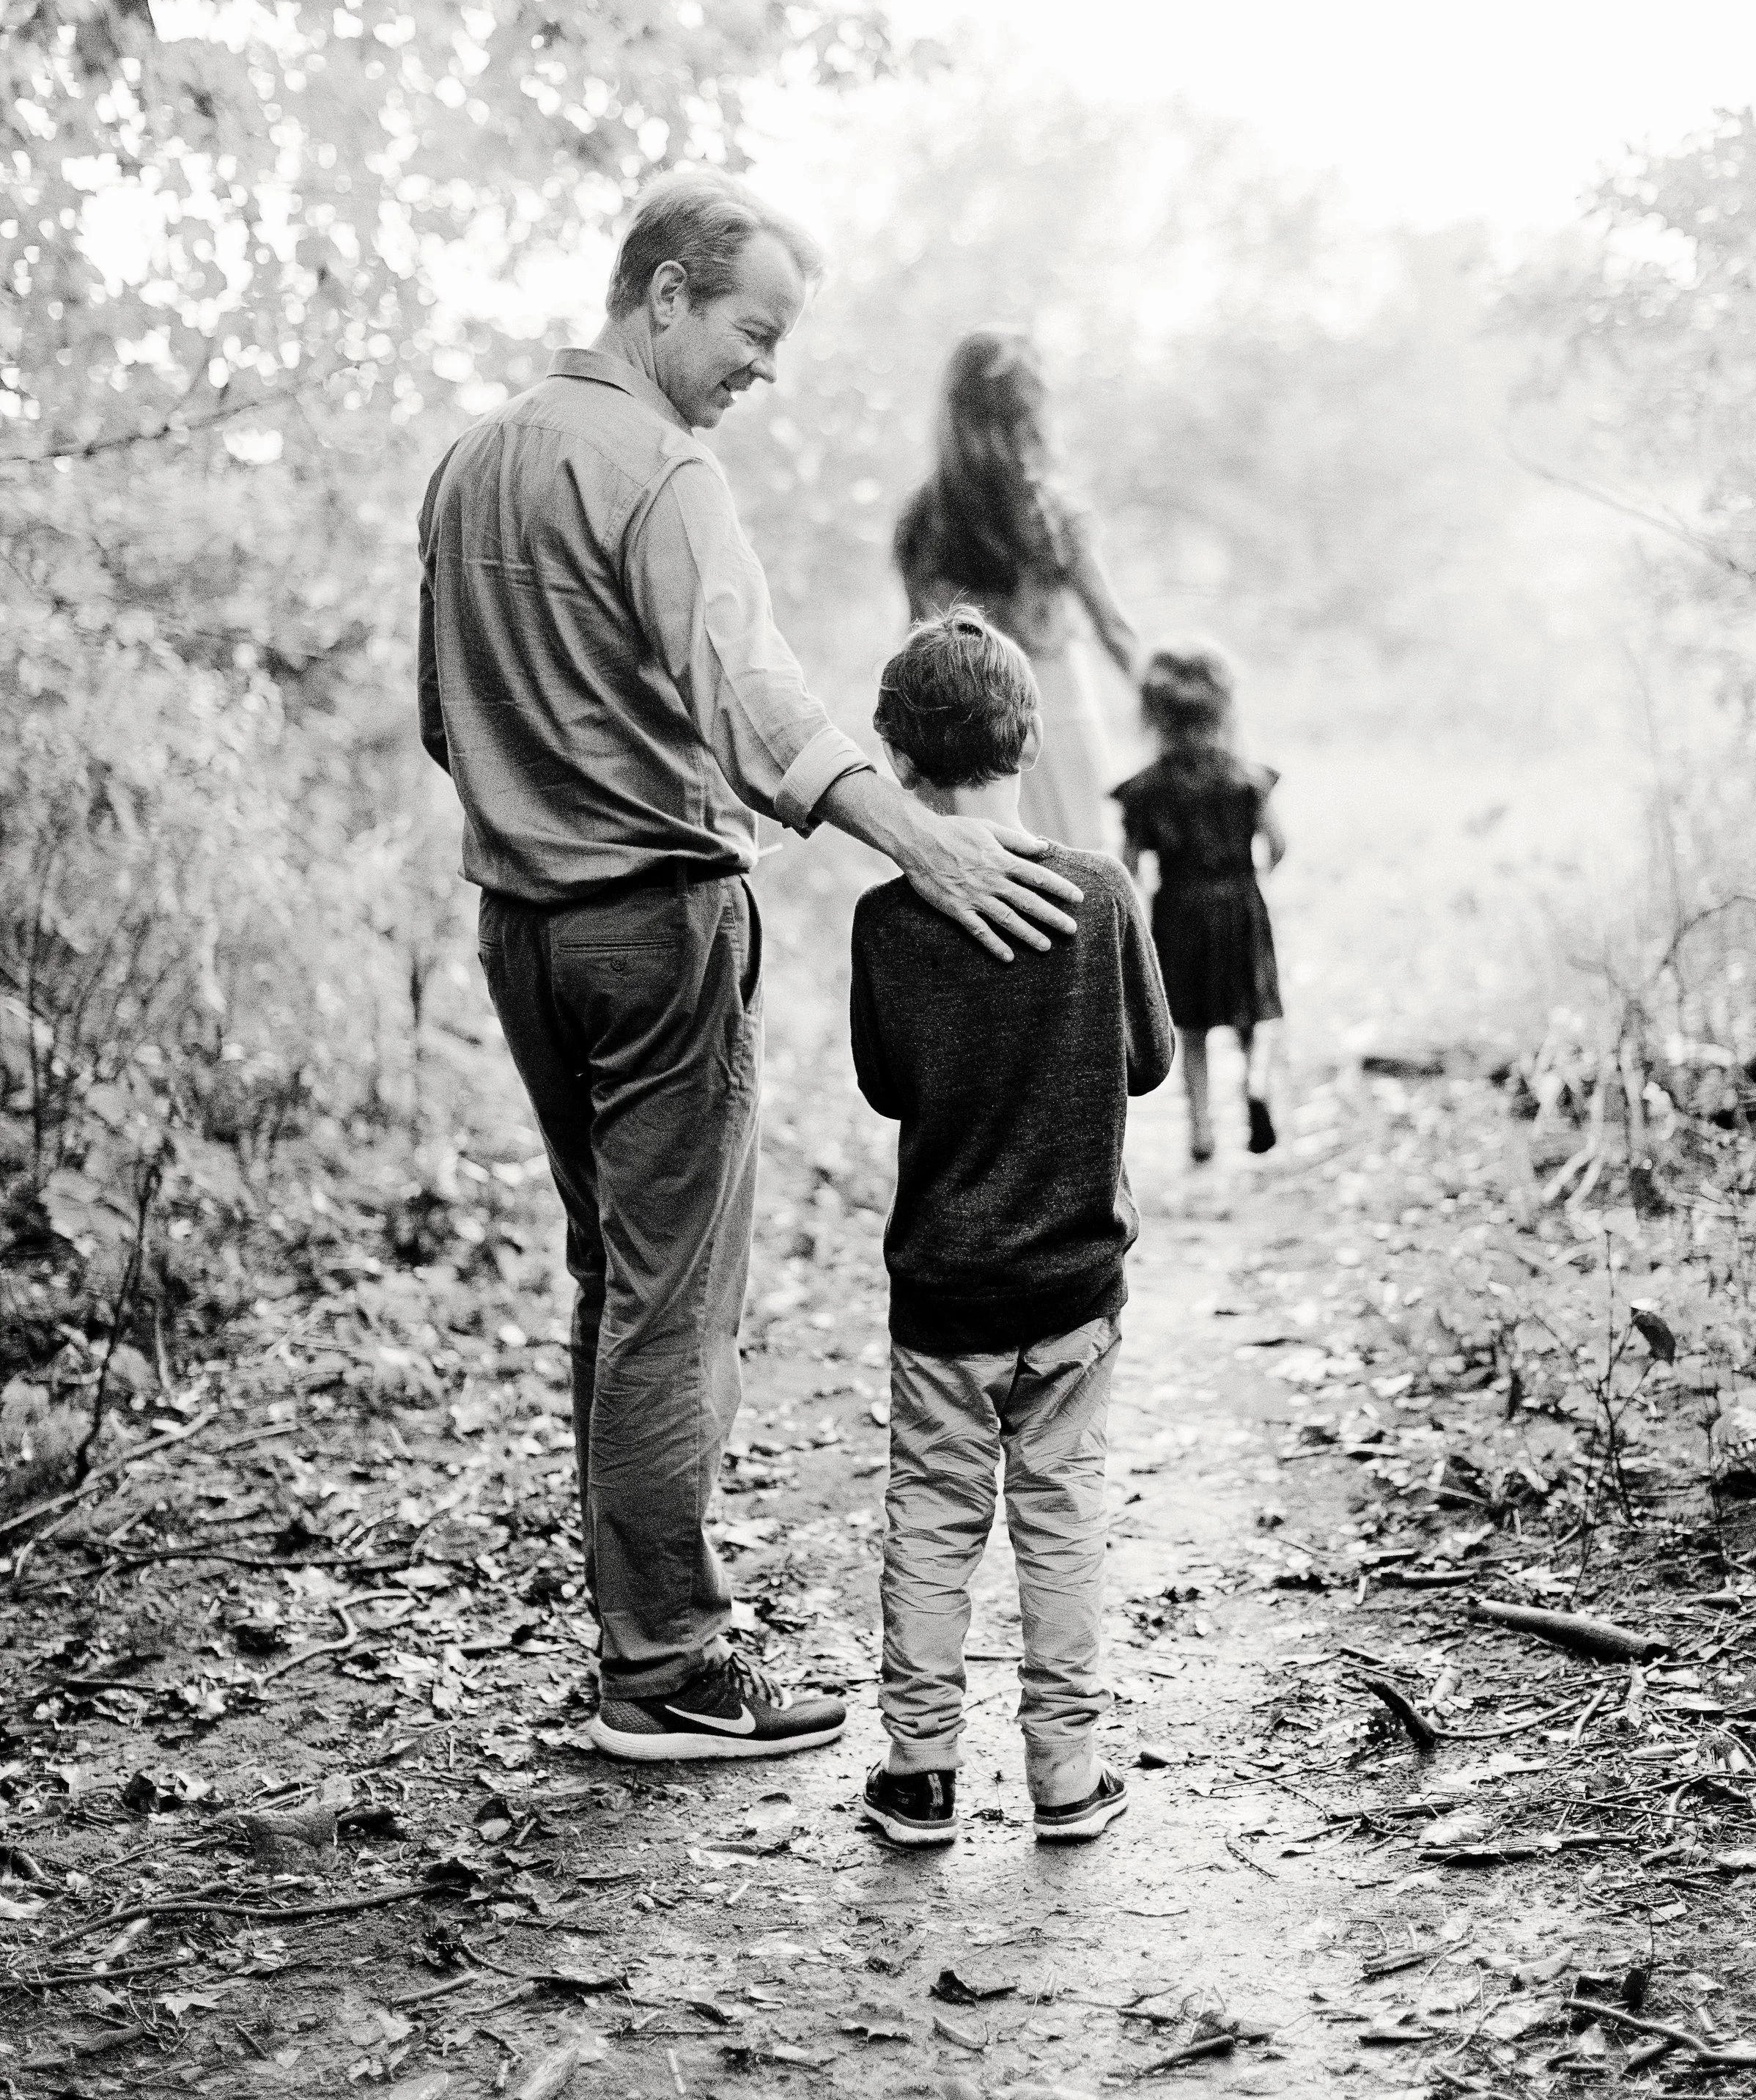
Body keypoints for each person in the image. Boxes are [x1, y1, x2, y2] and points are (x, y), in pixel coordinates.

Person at [417, 172, 1084, 1764]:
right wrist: (910, 839)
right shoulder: (666, 473)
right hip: (650, 926)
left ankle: (634, 1642)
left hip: (520, 931)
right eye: (751, 333)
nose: (760, 372)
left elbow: (447, 720)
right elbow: (750, 697)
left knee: (611, 1278)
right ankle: (666, 1676)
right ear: (662, 295)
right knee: (670, 1302)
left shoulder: (468, 467)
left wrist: (544, 807)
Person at [848, 609, 1174, 1847]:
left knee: (933, 1521)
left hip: (943, 1295)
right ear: (1027, 737)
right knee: (1062, 1517)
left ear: (900, 761)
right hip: (1075, 1293)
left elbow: (887, 1084)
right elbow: (1146, 1062)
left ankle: (922, 1777)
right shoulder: (1100, 894)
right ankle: (1067, 1780)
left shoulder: (888, 922)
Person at [894, 330, 1137, 850]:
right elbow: (1116, 631)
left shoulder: (923, 524)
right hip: (1058, 717)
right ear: (1028, 416)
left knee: (999, 886)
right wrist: (1184, 721)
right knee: (1085, 879)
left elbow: (921, 657)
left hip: (971, 736)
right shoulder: (1051, 514)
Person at [1113, 643, 1286, 1164]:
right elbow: (1278, 845)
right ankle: (1256, 1089)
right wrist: (1252, 880)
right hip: (1239, 902)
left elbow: (1128, 864)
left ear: (1155, 716)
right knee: (1251, 1013)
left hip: (1180, 911)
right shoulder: (1248, 779)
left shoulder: (1146, 789)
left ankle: (1201, 1128)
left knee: (1190, 1025)